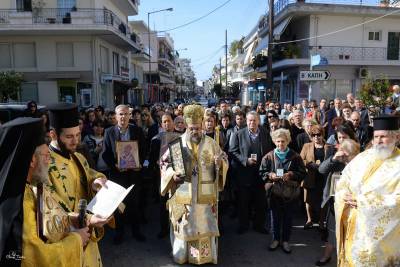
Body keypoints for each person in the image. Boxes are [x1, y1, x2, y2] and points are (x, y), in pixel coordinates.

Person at [160, 104, 228, 264]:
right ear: (186, 126)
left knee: (204, 225)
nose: (195, 131)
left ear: (202, 126)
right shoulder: (177, 144)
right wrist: (172, 175)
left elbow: (224, 160)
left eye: (197, 128)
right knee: (185, 225)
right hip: (184, 194)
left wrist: (220, 164)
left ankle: (203, 257)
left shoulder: (211, 143)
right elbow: (164, 164)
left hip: (205, 195)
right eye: (191, 128)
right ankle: (182, 255)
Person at [46, 103, 109, 266]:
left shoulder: (78, 157)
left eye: (78, 134)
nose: (75, 141)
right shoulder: (44, 165)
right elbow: (50, 207)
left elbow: (90, 175)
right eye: (69, 137)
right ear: (53, 134)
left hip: (88, 233)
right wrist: (87, 219)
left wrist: (95, 182)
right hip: (66, 238)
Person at [335, 115, 400, 266]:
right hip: (353, 224)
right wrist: (343, 195)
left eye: (383, 136)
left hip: (378, 239)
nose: (378, 141)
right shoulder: (363, 157)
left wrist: (364, 202)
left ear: (396, 137)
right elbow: (344, 181)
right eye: (376, 136)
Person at [0, 118, 45, 266]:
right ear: (32, 160)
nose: (49, 162)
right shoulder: (19, 206)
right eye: (46, 156)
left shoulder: (24, 189)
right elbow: (33, 256)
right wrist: (76, 239)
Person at [102, 104, 146, 244]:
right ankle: (119, 232)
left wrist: (139, 163)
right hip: (117, 175)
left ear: (129, 116)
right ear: (116, 116)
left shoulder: (137, 131)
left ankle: (136, 231)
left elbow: (144, 149)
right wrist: (114, 166)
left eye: (126, 114)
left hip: (134, 174)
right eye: (120, 114)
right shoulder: (109, 132)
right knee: (119, 205)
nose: (123, 117)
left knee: (134, 204)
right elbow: (105, 154)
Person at [259, 128, 306, 253]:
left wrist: (291, 174)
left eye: (283, 141)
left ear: (288, 141)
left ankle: (285, 240)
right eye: (278, 141)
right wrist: (270, 175)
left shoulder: (295, 156)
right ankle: (275, 239)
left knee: (288, 217)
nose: (280, 144)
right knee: (275, 217)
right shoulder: (268, 156)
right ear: (274, 141)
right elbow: (261, 172)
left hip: (290, 193)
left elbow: (302, 173)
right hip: (274, 192)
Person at [315, 139, 360, 266]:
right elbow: (322, 170)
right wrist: (334, 158)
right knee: (332, 231)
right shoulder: (337, 161)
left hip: (353, 205)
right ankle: (327, 256)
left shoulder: (360, 164)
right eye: (347, 155)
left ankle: (347, 259)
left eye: (352, 155)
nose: (349, 158)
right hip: (336, 203)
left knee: (350, 234)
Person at [229, 111, 273, 235]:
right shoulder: (238, 134)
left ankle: (259, 225)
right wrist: (245, 160)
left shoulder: (265, 133)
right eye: (249, 120)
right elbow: (232, 151)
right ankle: (243, 225)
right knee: (244, 201)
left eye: (254, 120)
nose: (252, 123)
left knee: (261, 201)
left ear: (258, 121)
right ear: (246, 121)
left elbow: (269, 150)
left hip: (260, 173)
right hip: (244, 173)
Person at [300, 125, 331, 230]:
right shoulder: (306, 146)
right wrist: (309, 164)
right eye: (313, 135)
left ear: (323, 135)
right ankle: (309, 219)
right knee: (308, 199)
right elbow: (300, 160)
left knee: (324, 199)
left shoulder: (329, 146)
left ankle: (321, 221)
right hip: (310, 176)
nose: (316, 137)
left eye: (319, 134)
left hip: (324, 177)